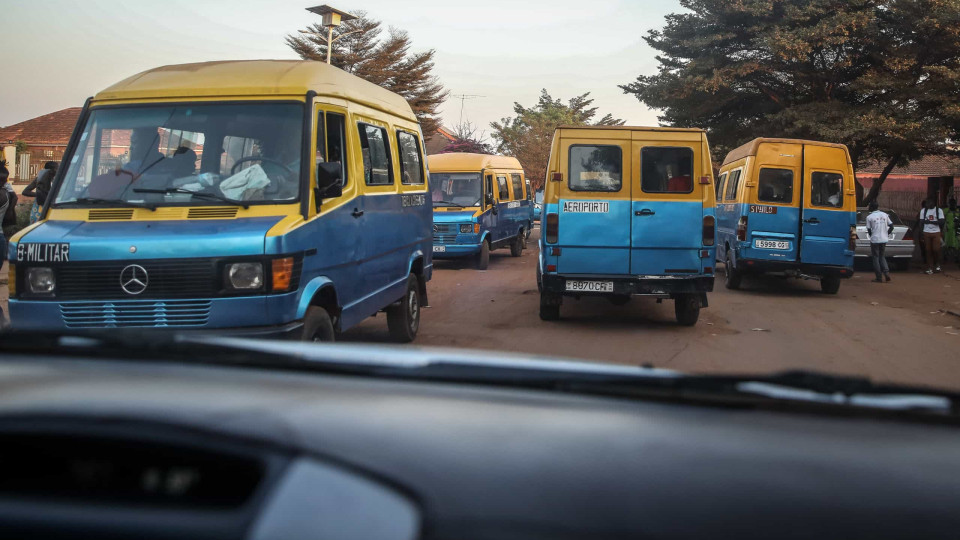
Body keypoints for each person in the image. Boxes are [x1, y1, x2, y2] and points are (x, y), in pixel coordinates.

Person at [865, 201, 894, 283]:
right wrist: (886, 234)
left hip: (875, 239)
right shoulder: (885, 215)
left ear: (871, 207)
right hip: (884, 239)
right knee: (882, 256)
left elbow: (869, 230)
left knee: (875, 257)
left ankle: (879, 277)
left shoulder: (869, 217)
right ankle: (886, 273)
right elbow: (892, 226)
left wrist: (872, 236)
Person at [919, 197, 945, 274]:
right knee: (928, 250)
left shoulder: (939, 210)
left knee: (936, 249)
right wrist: (921, 233)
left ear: (933, 202)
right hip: (926, 232)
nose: (927, 204)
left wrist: (930, 222)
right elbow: (921, 222)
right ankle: (930, 267)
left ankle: (938, 264)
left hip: (936, 232)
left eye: (929, 202)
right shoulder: (923, 211)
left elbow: (942, 222)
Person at [944, 198, 960, 265]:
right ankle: (946, 256)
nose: (953, 205)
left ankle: (956, 257)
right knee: (947, 244)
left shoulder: (958, 211)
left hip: (956, 230)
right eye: (951, 203)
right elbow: (943, 219)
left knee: (957, 244)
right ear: (949, 204)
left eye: (954, 203)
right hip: (948, 230)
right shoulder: (946, 211)